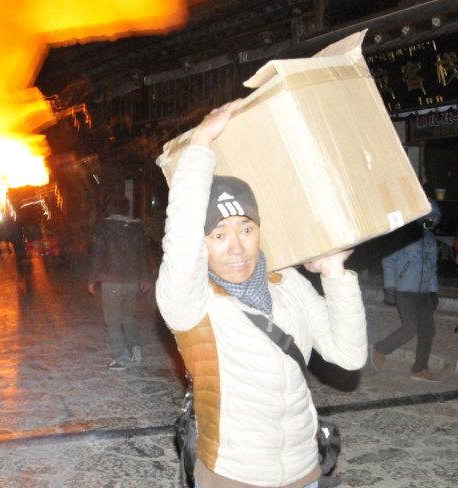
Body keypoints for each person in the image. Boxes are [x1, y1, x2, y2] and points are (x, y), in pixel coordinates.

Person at [155, 100, 368, 488]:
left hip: (305, 471)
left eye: (246, 229)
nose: (236, 247)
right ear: (201, 242)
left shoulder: (287, 284)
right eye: (218, 235)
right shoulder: (189, 302)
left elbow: (349, 355)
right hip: (233, 476)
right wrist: (201, 142)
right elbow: (180, 239)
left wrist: (336, 272)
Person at [371, 199, 441, 381]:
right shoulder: (405, 236)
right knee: (409, 328)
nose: (431, 221)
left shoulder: (431, 240)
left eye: (434, 218)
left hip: (424, 292)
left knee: (428, 330)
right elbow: (389, 260)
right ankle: (381, 349)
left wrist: (433, 291)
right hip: (405, 289)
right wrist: (391, 286)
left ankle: (420, 369)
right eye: (428, 217)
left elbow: (432, 267)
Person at [88, 193, 152, 370]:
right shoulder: (135, 227)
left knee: (113, 319)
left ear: (108, 209)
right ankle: (135, 346)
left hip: (111, 280)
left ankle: (120, 357)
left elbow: (97, 253)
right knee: (128, 316)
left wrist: (92, 279)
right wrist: (145, 277)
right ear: (126, 209)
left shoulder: (104, 226)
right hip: (132, 280)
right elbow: (143, 253)